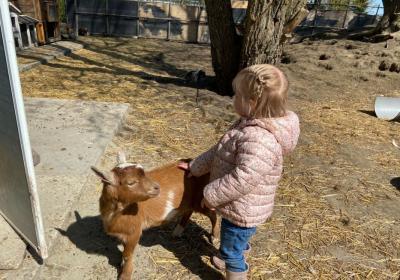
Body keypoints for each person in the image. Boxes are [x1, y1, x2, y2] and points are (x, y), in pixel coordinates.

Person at [178, 64, 300, 279]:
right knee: (237, 238)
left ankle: (234, 263)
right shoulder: (248, 123)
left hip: (242, 208)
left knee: (232, 250)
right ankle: (237, 248)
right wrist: (195, 167)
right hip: (240, 206)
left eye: (237, 95)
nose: (233, 98)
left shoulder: (258, 139)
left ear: (251, 103)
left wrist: (210, 195)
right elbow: (220, 150)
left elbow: (242, 179)